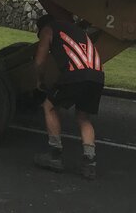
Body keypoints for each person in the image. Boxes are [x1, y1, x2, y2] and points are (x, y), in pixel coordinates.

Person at [32, 12, 104, 180]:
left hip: (75, 74)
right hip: (97, 76)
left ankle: (54, 154)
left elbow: (39, 61)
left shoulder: (48, 29)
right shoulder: (76, 30)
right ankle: (89, 162)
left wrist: (39, 80)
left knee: (49, 106)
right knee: (83, 117)